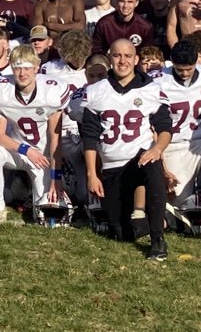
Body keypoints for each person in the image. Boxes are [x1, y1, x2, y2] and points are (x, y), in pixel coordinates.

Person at [80, 39, 172, 260]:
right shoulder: (95, 91)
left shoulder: (151, 89)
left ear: (136, 59)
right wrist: (93, 174)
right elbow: (90, 137)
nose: (122, 61)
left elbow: (165, 128)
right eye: (117, 56)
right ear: (110, 58)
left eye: (128, 56)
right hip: (112, 166)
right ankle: (164, 220)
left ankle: (158, 239)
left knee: (152, 166)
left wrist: (157, 149)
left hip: (139, 159)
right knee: (119, 233)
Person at [0, 45, 74, 228]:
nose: (22, 73)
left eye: (27, 68)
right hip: (18, 150)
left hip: (43, 157)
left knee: (42, 212)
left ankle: (20, 193)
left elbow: (55, 138)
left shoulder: (51, 92)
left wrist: (55, 178)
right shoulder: (2, 90)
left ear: (36, 67)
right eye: (18, 68)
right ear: (11, 68)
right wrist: (27, 150)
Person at [152, 39, 201, 220]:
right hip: (174, 145)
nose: (185, 73)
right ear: (172, 62)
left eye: (189, 68)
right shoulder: (157, 81)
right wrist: (163, 168)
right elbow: (153, 128)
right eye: (180, 69)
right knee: (177, 204)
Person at [91, 0, 155, 54]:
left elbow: (147, 54)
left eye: (130, 2)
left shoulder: (145, 26)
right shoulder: (104, 24)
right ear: (116, 1)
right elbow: (96, 51)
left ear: (136, 3)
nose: (125, 6)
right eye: (122, 1)